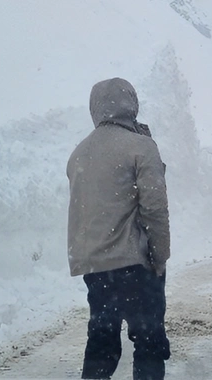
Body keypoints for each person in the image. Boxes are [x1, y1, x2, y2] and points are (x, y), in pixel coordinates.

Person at [67, 77, 171, 380]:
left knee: (101, 341)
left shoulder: (79, 153)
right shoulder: (141, 146)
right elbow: (155, 208)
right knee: (149, 341)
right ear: (131, 104)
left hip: (96, 269)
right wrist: (159, 257)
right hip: (135, 264)